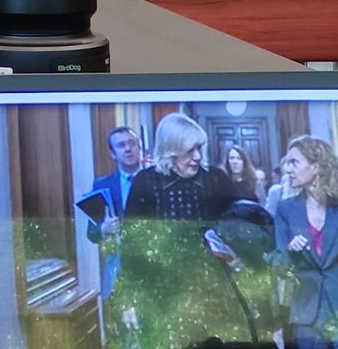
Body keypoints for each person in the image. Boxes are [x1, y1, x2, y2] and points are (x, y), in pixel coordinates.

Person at [115, 112, 243, 349]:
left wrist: (238, 256)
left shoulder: (215, 179)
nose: (197, 157)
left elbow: (240, 229)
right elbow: (132, 246)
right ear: (171, 149)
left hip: (214, 294)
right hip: (161, 297)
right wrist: (129, 300)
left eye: (199, 149)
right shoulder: (145, 182)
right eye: (189, 150)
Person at [273, 135, 338, 348]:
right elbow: (278, 262)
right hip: (306, 312)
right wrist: (291, 252)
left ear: (316, 166)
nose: (287, 169)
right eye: (287, 163)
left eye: (294, 162)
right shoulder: (285, 209)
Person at [87, 126, 144, 296]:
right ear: (113, 153)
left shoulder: (157, 180)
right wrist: (104, 229)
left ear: (139, 147)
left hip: (152, 267)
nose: (128, 149)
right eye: (121, 145)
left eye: (132, 143)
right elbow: (91, 233)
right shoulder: (102, 186)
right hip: (118, 268)